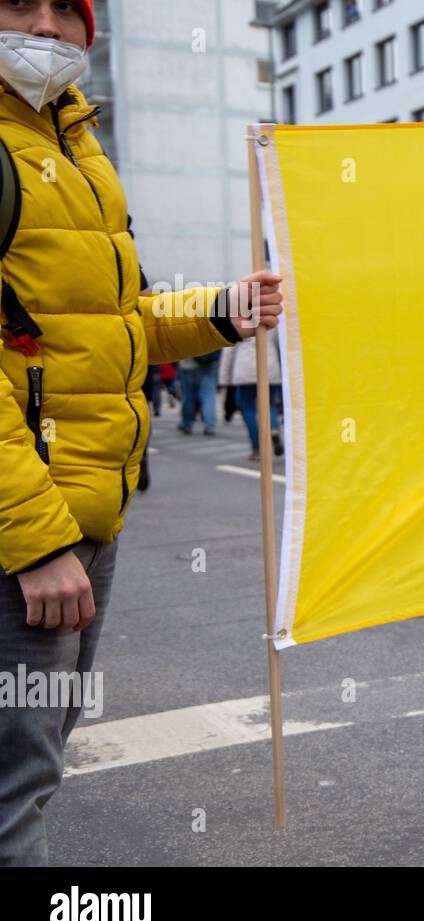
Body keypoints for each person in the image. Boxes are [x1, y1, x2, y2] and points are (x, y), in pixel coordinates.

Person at [0, 0, 282, 866]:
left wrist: (223, 313)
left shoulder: (77, 148)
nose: (45, 28)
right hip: (30, 533)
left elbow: (114, 321)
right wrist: (35, 540)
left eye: (66, 10)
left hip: (87, 518)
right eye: (20, 3)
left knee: (32, 773)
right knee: (11, 796)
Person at [219, 334, 284, 460]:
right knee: (269, 404)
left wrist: (224, 378)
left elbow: (229, 349)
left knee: (248, 409)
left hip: (245, 368)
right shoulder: (271, 315)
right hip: (269, 366)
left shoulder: (238, 315)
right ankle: (274, 428)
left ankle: (257, 447)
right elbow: (279, 344)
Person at [177, 348, 222, 436]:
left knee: (188, 396)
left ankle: (187, 424)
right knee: (208, 395)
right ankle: (209, 425)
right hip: (209, 361)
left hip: (188, 362)